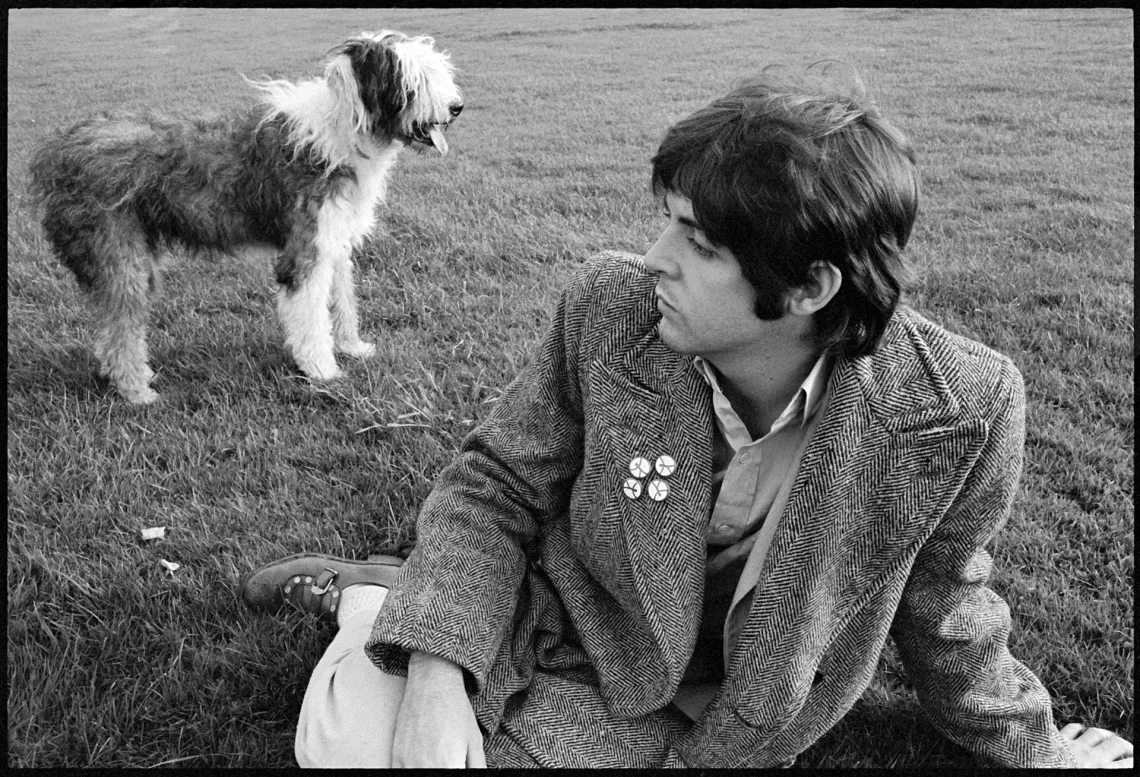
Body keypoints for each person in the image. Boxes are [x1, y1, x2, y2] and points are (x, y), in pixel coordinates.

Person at [240, 72, 1133, 768]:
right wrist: (435, 670)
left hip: (730, 717)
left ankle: (384, 592)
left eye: (699, 245)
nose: (655, 260)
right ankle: (377, 604)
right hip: (572, 633)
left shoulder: (960, 409)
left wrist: (1038, 745)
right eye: (668, 223)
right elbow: (495, 483)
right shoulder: (611, 306)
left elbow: (948, 607)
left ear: (810, 287)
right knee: (353, 745)